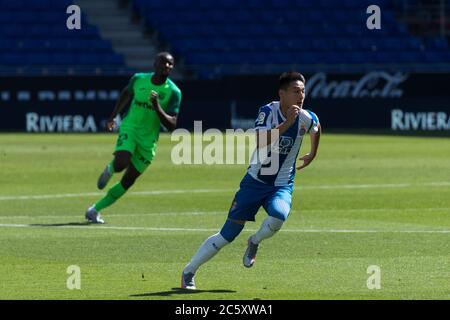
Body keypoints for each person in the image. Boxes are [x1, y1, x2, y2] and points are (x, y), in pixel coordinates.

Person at [181, 71, 321, 290]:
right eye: (295, 91)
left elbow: (316, 128)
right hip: (254, 183)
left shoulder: (306, 116)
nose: (301, 95)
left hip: (282, 184)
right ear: (282, 94)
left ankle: (254, 241)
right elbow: (260, 140)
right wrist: (287, 124)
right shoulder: (267, 112)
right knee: (228, 235)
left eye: (303, 91)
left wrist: (312, 153)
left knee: (279, 215)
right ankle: (189, 272)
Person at [85, 52, 182, 224]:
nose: (167, 66)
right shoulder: (138, 79)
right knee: (122, 162)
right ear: (155, 64)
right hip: (131, 127)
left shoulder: (174, 92)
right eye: (164, 63)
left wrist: (157, 106)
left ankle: (94, 210)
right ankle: (110, 168)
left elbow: (172, 125)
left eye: (170, 64)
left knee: (128, 180)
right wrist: (113, 117)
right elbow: (125, 94)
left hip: (148, 140)